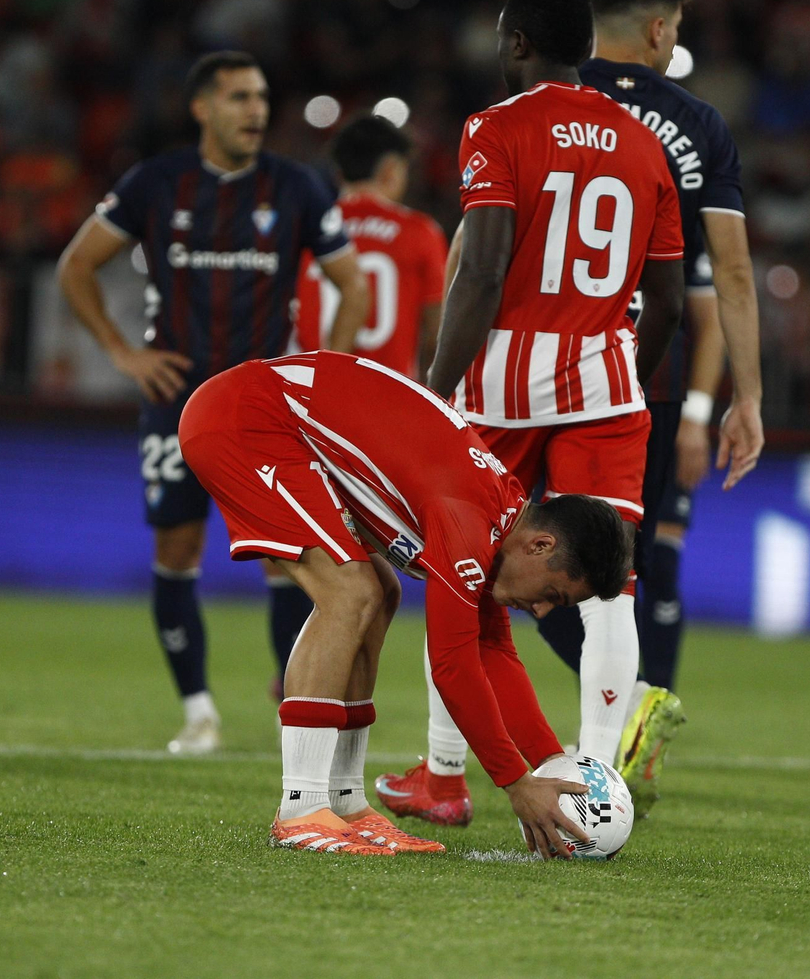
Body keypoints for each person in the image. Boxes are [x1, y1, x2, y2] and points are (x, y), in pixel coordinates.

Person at [376, 0, 692, 827]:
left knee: (472, 573)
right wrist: (623, 364)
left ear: (517, 42)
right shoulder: (640, 140)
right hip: (605, 380)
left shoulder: (497, 128)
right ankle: (598, 782)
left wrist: (434, 393)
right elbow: (666, 297)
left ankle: (444, 777)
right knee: (611, 588)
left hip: (502, 385)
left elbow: (479, 269)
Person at [180, 350, 626, 856]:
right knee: (350, 592)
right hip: (246, 417)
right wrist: (516, 783)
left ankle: (345, 803)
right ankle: (301, 807)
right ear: (541, 546)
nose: (542, 611)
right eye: (552, 595)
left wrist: (550, 765)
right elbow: (453, 666)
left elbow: (493, 651)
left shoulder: (500, 513)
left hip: (276, 418)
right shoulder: (467, 518)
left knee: (381, 591)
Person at [58, 52, 368, 754]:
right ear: (202, 108)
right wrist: (120, 352)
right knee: (177, 545)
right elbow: (76, 265)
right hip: (175, 397)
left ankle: (294, 694)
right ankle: (198, 712)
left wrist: (320, 375)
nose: (255, 110)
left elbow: (352, 284)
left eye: (261, 97)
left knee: (285, 555)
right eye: (238, 97)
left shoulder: (297, 185)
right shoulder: (156, 183)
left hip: (264, 406)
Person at [552, 0, 765, 815]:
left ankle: (453, 768)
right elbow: (732, 277)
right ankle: (616, 736)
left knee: (504, 561)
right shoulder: (698, 124)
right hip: (645, 375)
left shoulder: (542, 109)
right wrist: (742, 398)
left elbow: (485, 252)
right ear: (661, 28)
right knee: (624, 571)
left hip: (538, 366)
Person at [293, 114, 447, 381]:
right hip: (389, 397)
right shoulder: (420, 232)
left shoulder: (305, 229)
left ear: (338, 172)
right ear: (390, 169)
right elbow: (437, 329)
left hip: (310, 395)